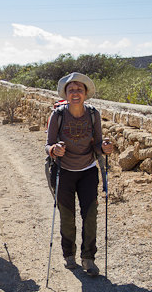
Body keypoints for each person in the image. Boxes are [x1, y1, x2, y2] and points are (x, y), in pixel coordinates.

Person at [45, 72, 113, 277]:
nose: (75, 93)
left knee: (90, 215)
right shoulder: (57, 115)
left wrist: (106, 148)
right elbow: (47, 145)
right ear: (66, 94)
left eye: (79, 90)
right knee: (67, 215)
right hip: (63, 171)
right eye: (71, 90)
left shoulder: (93, 115)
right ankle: (69, 255)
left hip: (88, 171)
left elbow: (99, 144)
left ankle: (88, 258)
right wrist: (54, 150)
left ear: (85, 94)